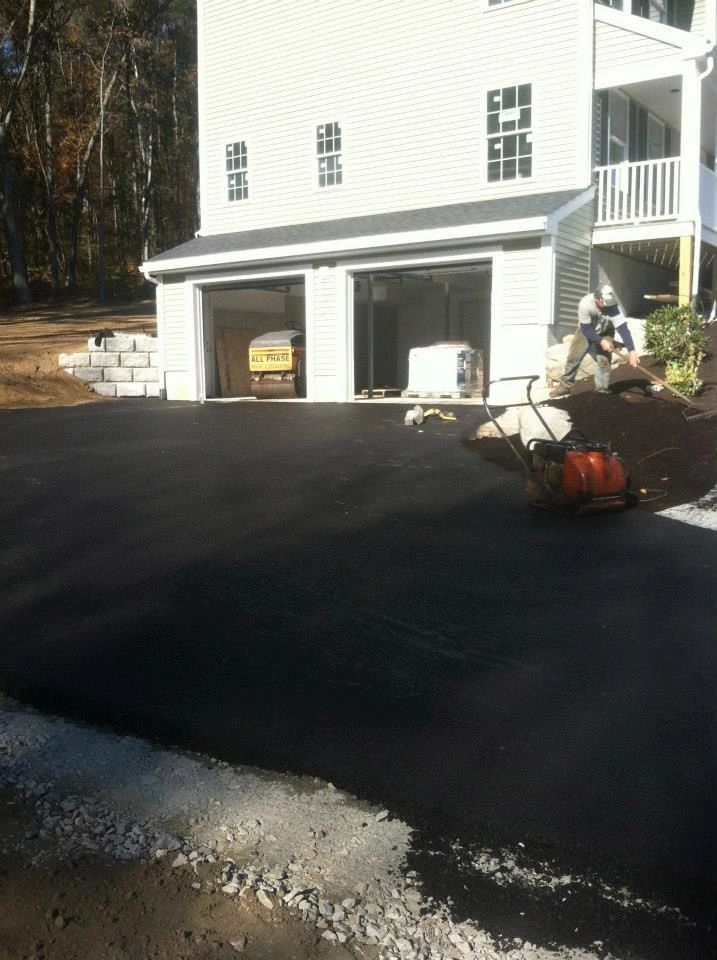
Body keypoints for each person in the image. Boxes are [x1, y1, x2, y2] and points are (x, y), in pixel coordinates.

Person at [551, 283, 639, 396]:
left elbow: (623, 329)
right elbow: (587, 329)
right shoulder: (585, 304)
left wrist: (632, 351)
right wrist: (601, 341)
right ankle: (565, 386)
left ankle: (602, 390)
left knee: (604, 360)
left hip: (606, 330)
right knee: (574, 357)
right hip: (586, 330)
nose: (607, 306)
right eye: (604, 303)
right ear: (597, 298)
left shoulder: (613, 307)